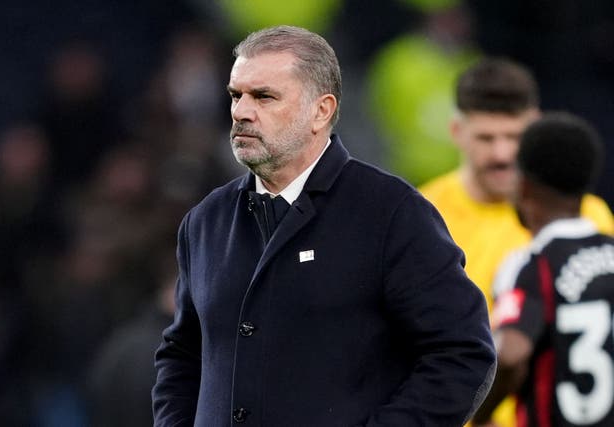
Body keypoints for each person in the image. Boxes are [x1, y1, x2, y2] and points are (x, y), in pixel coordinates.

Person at [153, 25, 496, 426]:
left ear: (322, 110)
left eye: (264, 96)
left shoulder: (392, 213)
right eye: (236, 95)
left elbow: (462, 354)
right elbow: (181, 355)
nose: (242, 111)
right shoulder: (206, 220)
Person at [419, 57, 614, 426]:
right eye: (486, 138)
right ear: (457, 131)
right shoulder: (421, 216)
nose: (502, 154)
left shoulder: (588, 216)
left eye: (514, 137)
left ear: (536, 128)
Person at [471, 112, 614, 426]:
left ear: (522, 187)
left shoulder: (529, 266)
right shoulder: (610, 251)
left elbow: (510, 355)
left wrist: (480, 416)